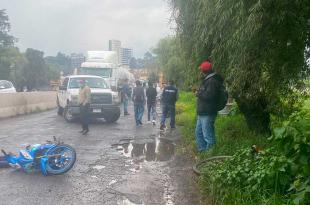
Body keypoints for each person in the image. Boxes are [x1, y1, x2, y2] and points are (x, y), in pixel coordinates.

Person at [195, 60, 223, 152]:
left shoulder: (212, 81)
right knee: (198, 133)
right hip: (202, 112)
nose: (200, 72)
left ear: (204, 70)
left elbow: (210, 96)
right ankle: (202, 151)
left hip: (208, 112)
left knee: (208, 135)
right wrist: (199, 92)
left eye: (201, 70)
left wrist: (198, 93)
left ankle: (210, 156)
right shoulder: (207, 80)